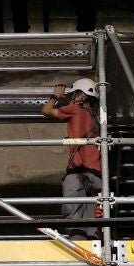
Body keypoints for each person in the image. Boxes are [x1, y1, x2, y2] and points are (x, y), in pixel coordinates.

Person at [43, 78, 101, 238]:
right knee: (93, 224)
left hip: (77, 173)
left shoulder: (76, 110)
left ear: (82, 96)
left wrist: (55, 96)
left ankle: (79, 250)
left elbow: (47, 111)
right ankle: (93, 250)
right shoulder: (96, 120)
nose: (72, 98)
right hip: (97, 177)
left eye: (75, 94)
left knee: (75, 221)